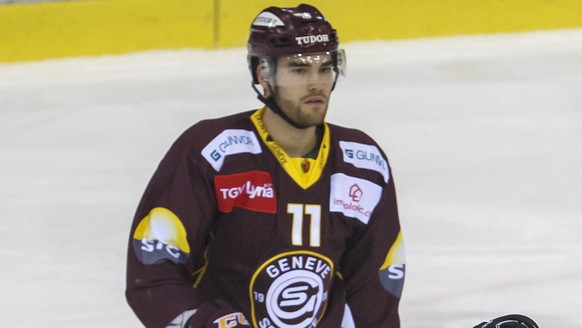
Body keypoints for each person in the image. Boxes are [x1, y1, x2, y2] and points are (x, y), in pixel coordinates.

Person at [125, 4, 405, 328]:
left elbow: (373, 291)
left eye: (325, 68)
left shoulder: (363, 164)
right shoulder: (214, 153)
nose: (316, 83)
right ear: (263, 75)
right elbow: (154, 275)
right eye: (299, 70)